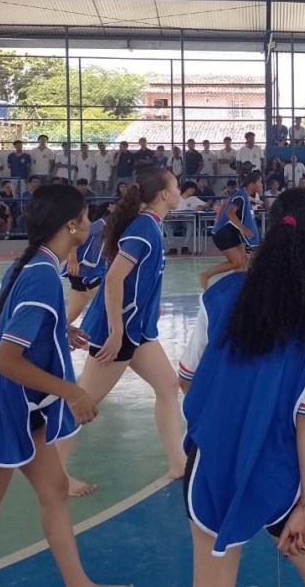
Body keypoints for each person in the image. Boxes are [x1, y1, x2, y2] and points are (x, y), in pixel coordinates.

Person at [0, 185, 127, 587]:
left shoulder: (27, 263)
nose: (90, 224)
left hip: (22, 410)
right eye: (85, 217)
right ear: (71, 225)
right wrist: (73, 391)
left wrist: (54, 328)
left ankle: (79, 584)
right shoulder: (42, 278)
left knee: (54, 491)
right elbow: (4, 359)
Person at [179, 187, 305, 587]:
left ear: (271, 230)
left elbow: (188, 378)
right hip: (281, 475)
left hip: (211, 467)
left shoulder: (219, 296)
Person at [57, 167, 186, 496]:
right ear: (164, 195)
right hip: (120, 330)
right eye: (175, 186)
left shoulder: (151, 225)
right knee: (84, 403)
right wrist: (115, 333)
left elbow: (137, 279)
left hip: (137, 329)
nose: (179, 191)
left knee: (168, 386)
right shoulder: (143, 228)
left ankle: (178, 462)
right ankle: (54, 475)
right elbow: (114, 279)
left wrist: (150, 305)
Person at [200, 172, 262, 290]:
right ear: (252, 184)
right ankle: (207, 275)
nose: (262, 185)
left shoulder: (244, 195)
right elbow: (230, 213)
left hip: (232, 234)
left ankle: (235, 288)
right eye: (260, 182)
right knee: (236, 262)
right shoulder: (241, 196)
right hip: (223, 234)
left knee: (243, 261)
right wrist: (243, 228)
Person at [64, 202, 111, 324]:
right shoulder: (100, 225)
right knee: (114, 308)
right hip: (88, 276)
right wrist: (72, 260)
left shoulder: (108, 228)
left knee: (69, 318)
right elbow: (73, 235)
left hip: (83, 277)